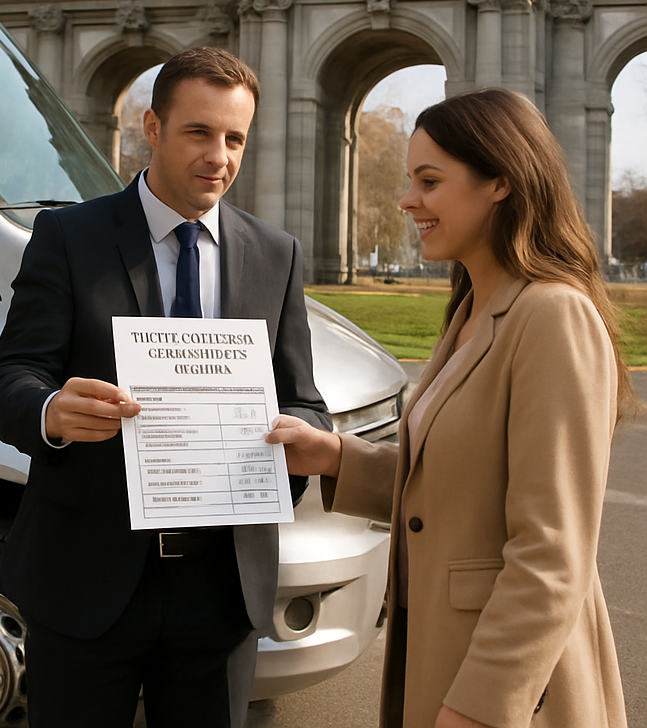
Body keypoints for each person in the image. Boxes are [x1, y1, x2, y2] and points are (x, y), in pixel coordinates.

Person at [0, 46, 330, 728]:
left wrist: (292, 442)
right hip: (88, 579)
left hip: (221, 588)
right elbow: (10, 379)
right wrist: (52, 409)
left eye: (234, 138)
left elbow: (303, 398)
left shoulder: (274, 254)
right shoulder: (67, 237)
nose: (219, 157)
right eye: (199, 132)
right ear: (152, 128)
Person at [267, 88, 634, 728]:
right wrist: (336, 457)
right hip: (441, 651)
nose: (408, 200)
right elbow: (462, 489)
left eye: (429, 181)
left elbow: (552, 556)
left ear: (500, 181)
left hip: (507, 687)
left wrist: (478, 708)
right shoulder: (471, 311)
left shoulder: (553, 316)